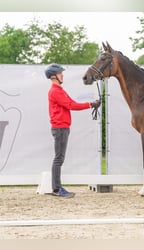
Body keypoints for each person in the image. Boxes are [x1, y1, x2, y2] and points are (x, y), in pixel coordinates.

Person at [45, 64, 101, 198]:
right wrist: (90, 104)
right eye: (60, 73)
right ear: (54, 76)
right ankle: (57, 189)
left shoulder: (60, 90)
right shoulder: (55, 91)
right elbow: (71, 105)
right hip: (60, 128)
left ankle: (57, 188)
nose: (62, 75)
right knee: (59, 159)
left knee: (59, 158)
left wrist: (91, 103)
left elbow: (71, 102)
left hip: (62, 127)